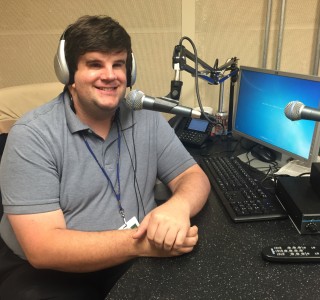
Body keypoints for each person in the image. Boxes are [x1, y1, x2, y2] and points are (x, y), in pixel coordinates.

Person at [0, 15, 210, 299]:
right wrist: (143, 244)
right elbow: (43, 249)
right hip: (48, 273)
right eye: (95, 64)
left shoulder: (146, 117)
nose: (110, 75)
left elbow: (192, 176)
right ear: (69, 74)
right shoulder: (32, 135)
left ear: (130, 71)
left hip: (131, 257)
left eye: (118, 64)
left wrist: (177, 207)